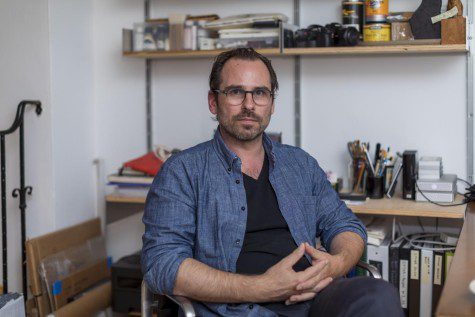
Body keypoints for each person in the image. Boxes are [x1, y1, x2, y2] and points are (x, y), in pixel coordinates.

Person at [142, 48, 403, 317]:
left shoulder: (300, 164)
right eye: (235, 92)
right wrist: (262, 287)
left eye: (260, 93)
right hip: (233, 309)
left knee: (379, 296)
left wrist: (336, 264)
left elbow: (344, 224)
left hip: (312, 299)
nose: (249, 104)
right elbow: (162, 264)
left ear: (272, 103)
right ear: (213, 101)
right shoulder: (182, 171)